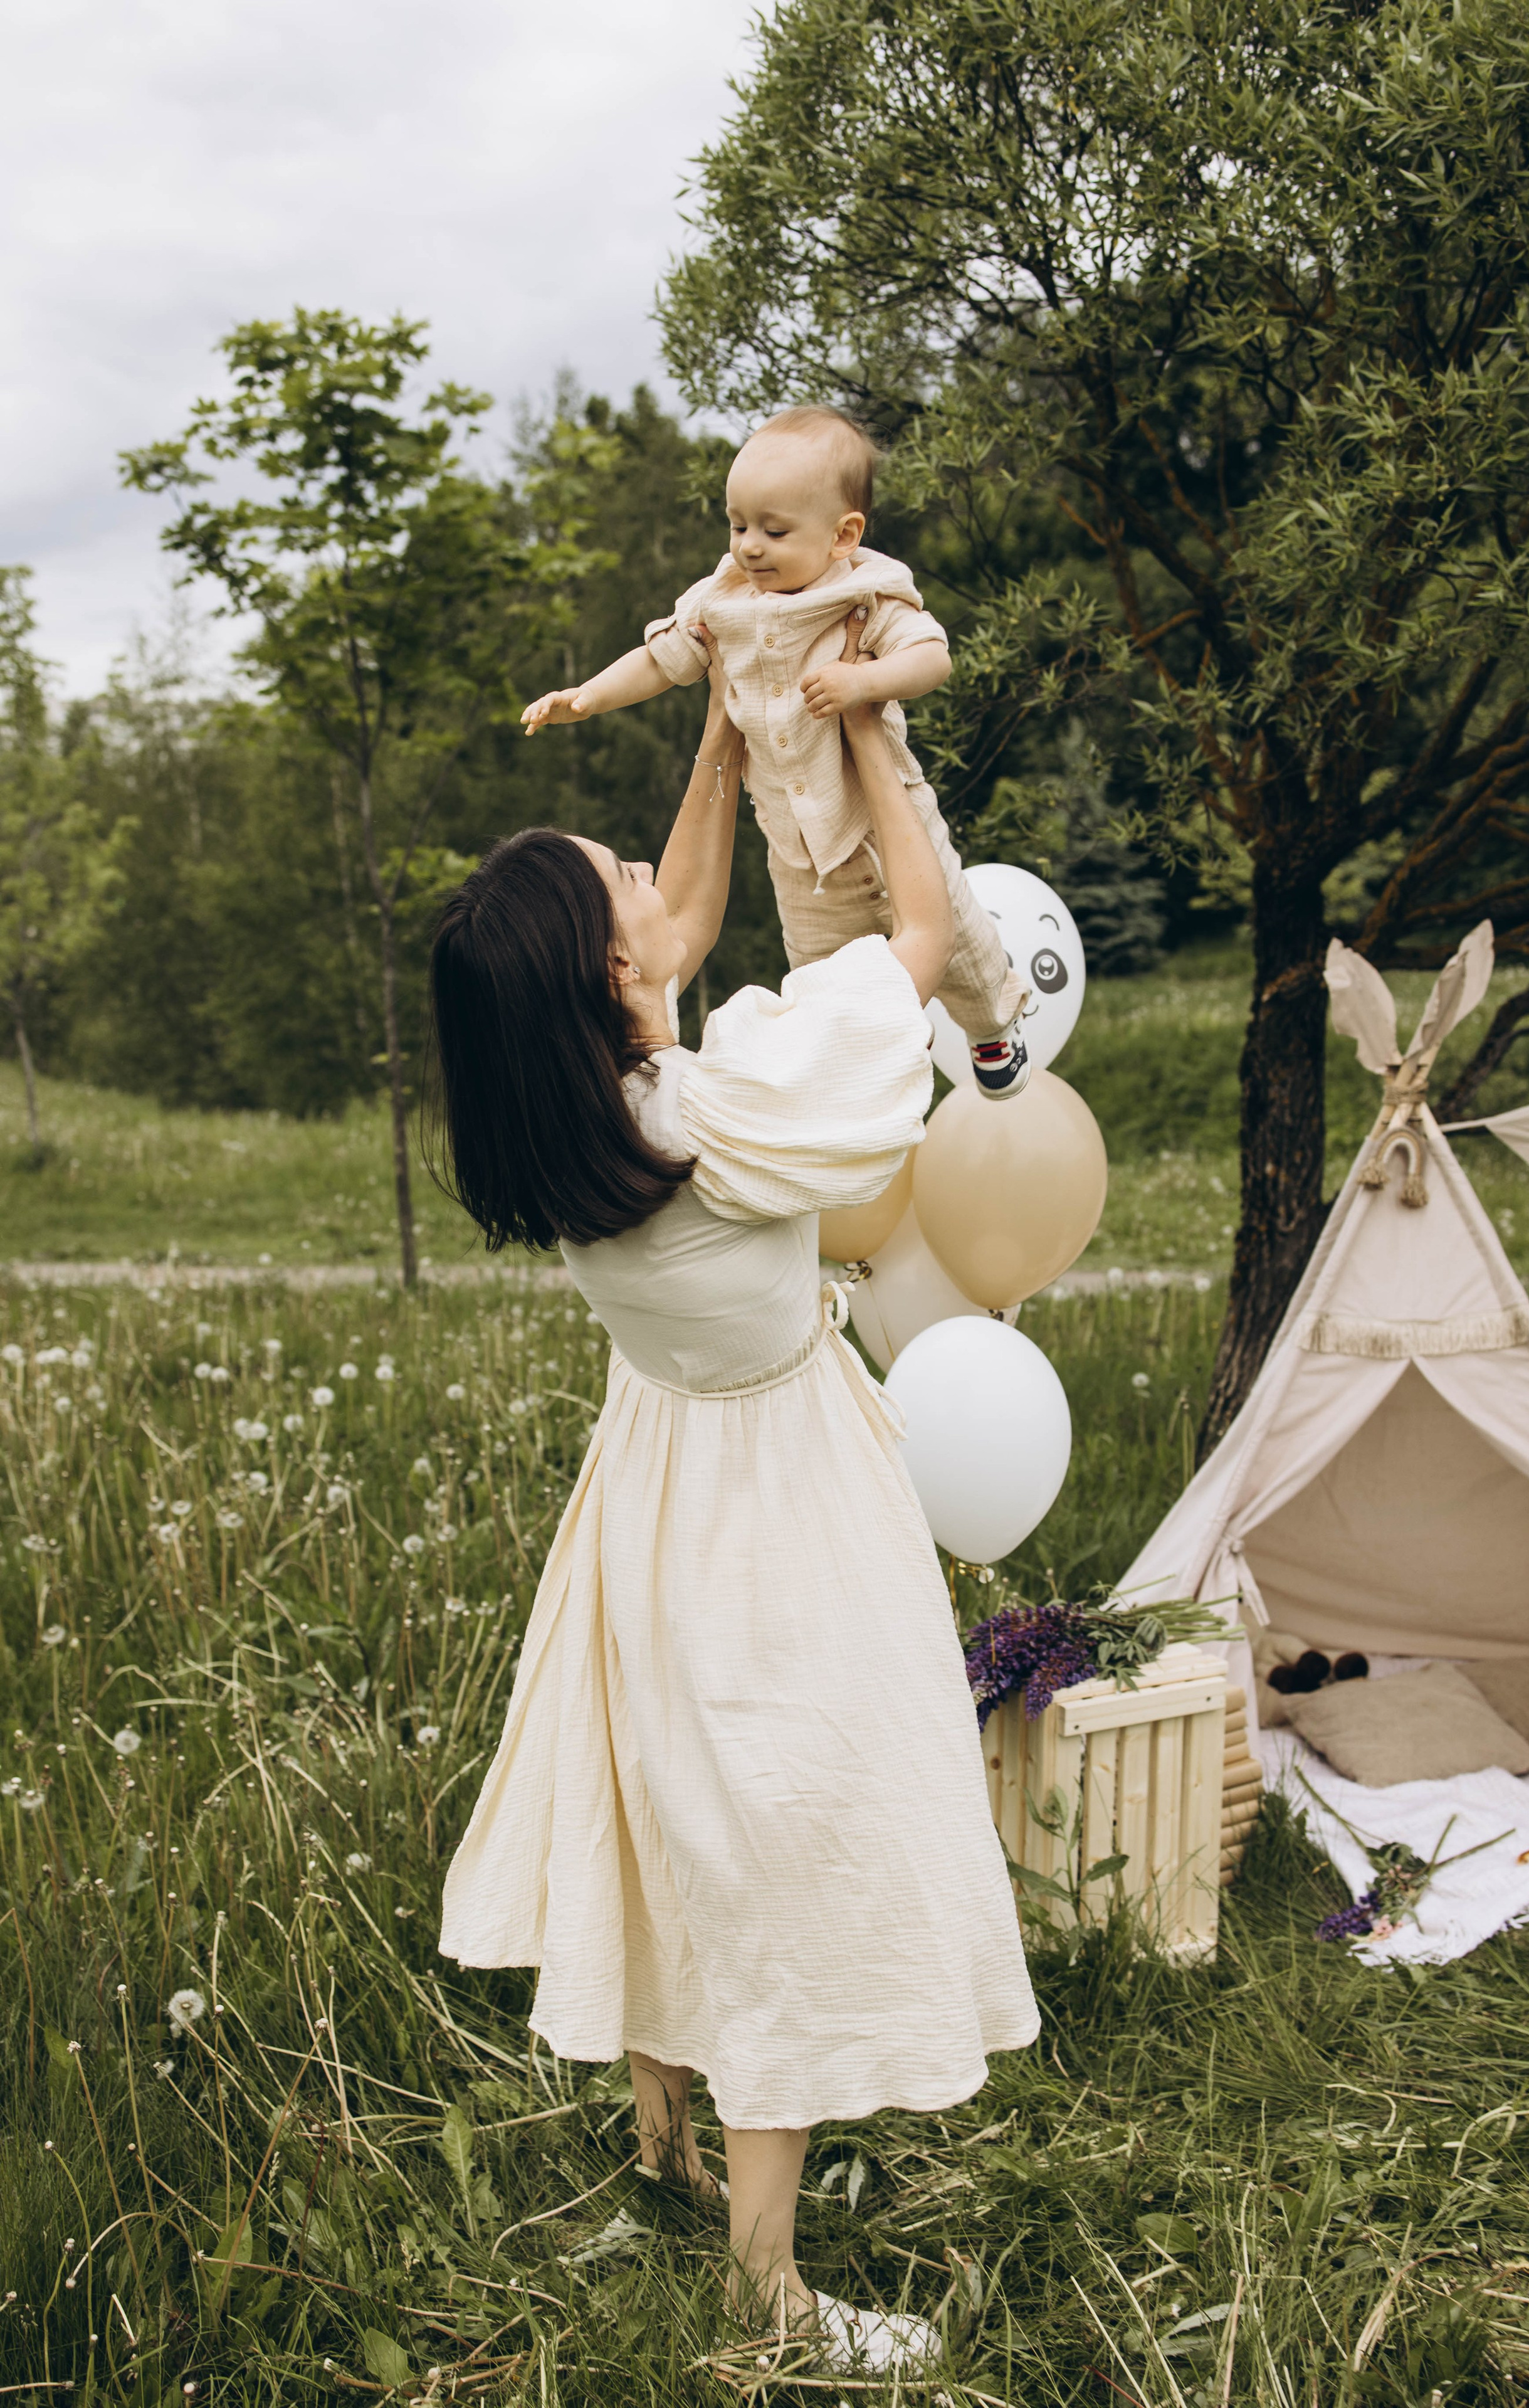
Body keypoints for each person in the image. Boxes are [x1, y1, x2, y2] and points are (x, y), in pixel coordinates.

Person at [429, 617, 1039, 2375]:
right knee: (783, 1843)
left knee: (671, 1810)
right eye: (620, 881)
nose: (651, 874)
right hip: (773, 1494)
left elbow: (678, 923)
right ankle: (764, 2290)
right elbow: (915, 939)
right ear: (613, 973)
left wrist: (720, 727)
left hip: (657, 1483)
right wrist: (875, 741)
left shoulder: (578, 1121)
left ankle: (662, 2149)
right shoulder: (723, 1109)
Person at [519, 403, 1032, 1101]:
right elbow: (660, 659)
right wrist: (588, 696)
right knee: (819, 973)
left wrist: (865, 682)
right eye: (737, 527)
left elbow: (931, 657)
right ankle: (863, 1072)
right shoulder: (720, 599)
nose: (749, 548)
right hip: (795, 848)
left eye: (774, 531)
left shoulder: (865, 590)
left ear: (843, 535)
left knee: (960, 944)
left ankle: (991, 1024)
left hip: (886, 821)